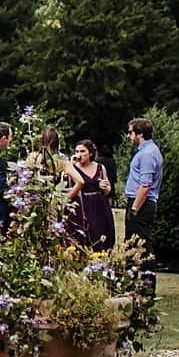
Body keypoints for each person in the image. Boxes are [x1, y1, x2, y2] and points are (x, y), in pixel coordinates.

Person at [123, 117, 163, 290]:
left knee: (142, 244)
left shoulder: (147, 154)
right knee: (131, 245)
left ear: (140, 134)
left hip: (142, 203)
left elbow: (145, 185)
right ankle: (129, 283)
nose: (128, 136)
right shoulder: (145, 151)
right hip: (139, 202)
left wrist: (134, 209)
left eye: (131, 132)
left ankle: (148, 284)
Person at [64, 138, 115, 250]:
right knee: (85, 234)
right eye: (77, 151)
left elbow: (108, 189)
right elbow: (65, 184)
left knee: (102, 233)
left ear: (90, 153)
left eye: (82, 151)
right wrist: (71, 164)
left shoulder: (100, 167)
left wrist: (105, 187)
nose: (79, 154)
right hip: (82, 204)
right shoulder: (73, 168)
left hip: (99, 204)